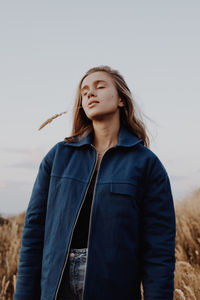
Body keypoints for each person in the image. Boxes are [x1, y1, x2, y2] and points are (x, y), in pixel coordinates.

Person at [14, 65, 176, 300]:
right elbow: (33, 233)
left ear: (121, 99)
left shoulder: (146, 164)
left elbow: (158, 248)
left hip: (114, 286)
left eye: (100, 86)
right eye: (85, 91)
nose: (90, 93)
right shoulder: (58, 156)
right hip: (56, 287)